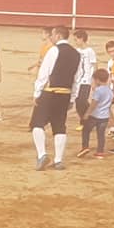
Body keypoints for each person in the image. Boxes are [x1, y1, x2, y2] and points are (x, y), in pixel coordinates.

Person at [30, 26, 84, 170]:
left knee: (37, 123)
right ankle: (58, 160)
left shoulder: (54, 50)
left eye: (53, 35)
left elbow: (44, 73)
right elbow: (77, 79)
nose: (51, 38)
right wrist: (72, 98)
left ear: (59, 36)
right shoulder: (77, 54)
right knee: (59, 126)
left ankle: (42, 155)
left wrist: (37, 93)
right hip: (65, 94)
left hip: (50, 92)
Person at [77, 69, 113, 159]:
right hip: (104, 117)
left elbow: (94, 104)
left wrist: (87, 113)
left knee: (86, 130)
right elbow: (109, 106)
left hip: (95, 116)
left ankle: (85, 147)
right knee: (101, 134)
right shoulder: (110, 91)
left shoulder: (98, 91)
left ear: (97, 80)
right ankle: (100, 152)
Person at [72, 29, 98, 130]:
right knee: (78, 101)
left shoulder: (90, 51)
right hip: (78, 80)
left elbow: (94, 65)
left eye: (76, 40)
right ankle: (87, 120)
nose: (75, 42)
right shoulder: (77, 51)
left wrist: (94, 80)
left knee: (82, 101)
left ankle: (87, 120)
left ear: (82, 39)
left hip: (87, 80)